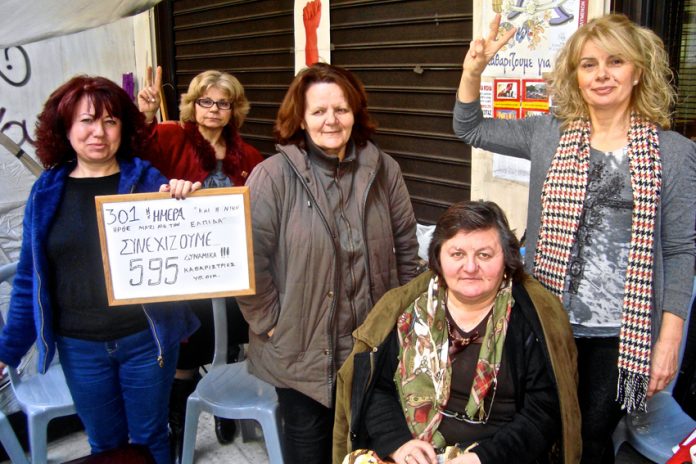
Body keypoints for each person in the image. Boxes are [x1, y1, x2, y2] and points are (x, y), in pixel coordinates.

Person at [453, 14, 696, 463]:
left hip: (627, 335)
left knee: (589, 435)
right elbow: (469, 127)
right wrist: (473, 71)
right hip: (548, 319)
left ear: (637, 70)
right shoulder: (549, 133)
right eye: (588, 65)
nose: (602, 74)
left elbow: (680, 250)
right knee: (540, 425)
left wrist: (667, 341)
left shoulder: (675, 153)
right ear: (575, 76)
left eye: (615, 61)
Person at [0, 75, 201, 464]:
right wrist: (7, 351)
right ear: (65, 129)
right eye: (87, 121)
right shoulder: (46, 192)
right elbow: (29, 279)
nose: (99, 132)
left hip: (146, 340)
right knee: (105, 445)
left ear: (123, 128)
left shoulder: (147, 182)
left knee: (151, 438)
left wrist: (183, 201)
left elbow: (189, 251)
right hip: (80, 348)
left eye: (110, 121)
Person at [236, 62, 420, 464]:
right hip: (300, 354)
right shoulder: (272, 177)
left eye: (341, 109)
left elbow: (407, 246)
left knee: (369, 452)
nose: (331, 120)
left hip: (372, 348)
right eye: (319, 111)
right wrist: (268, 321)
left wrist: (404, 315)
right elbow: (249, 260)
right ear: (300, 119)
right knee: (310, 451)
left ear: (356, 113)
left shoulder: (383, 170)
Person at [334, 201, 581, 464]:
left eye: (484, 255)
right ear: (438, 258)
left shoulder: (532, 319)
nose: (471, 267)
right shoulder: (406, 312)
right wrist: (399, 444)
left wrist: (481, 459)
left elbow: (543, 412)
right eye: (457, 254)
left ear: (508, 259)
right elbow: (376, 389)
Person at [138, 67, 264, 459]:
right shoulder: (170, 135)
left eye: (222, 103)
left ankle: (224, 407)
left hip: (233, 266)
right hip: (187, 268)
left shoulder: (249, 154)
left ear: (233, 109)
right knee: (189, 349)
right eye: (205, 101)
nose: (213, 109)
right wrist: (142, 114)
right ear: (193, 105)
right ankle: (179, 423)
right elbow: (133, 156)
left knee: (231, 339)